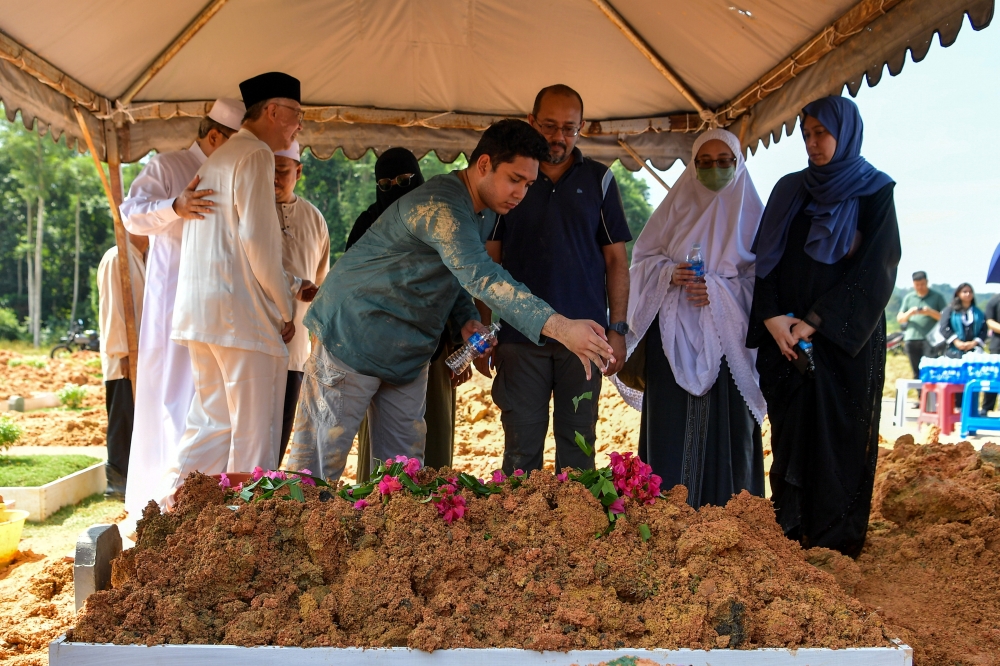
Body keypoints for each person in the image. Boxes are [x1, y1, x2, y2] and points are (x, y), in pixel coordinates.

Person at [285, 119, 615, 483]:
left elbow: (455, 273)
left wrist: (466, 319)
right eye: (514, 179)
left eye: (529, 184)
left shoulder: (486, 208)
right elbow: (483, 277)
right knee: (312, 470)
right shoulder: (442, 204)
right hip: (351, 335)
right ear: (485, 164)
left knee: (401, 476)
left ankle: (392, 539)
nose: (521, 193)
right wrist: (563, 328)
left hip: (409, 351)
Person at [748, 95, 900, 558]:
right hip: (787, 340)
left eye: (821, 133)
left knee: (840, 441)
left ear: (845, 132)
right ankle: (790, 532)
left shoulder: (874, 191)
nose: (812, 143)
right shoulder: (790, 189)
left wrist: (815, 322)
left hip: (842, 344)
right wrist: (773, 319)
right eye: (807, 134)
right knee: (791, 436)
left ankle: (835, 544)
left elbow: (878, 267)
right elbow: (765, 260)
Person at [163, 72, 317, 505]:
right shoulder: (255, 154)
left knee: (211, 427)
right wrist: (286, 308)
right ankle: (247, 537)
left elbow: (230, 243)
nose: (298, 125)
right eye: (296, 115)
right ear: (273, 111)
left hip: (203, 316)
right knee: (254, 440)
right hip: (242, 319)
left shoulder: (217, 158)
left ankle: (173, 522)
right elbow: (259, 243)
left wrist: (288, 285)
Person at [475, 84, 632, 475]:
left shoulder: (600, 180)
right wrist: (485, 327)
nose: (558, 137)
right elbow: (487, 261)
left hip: (587, 341)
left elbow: (617, 262)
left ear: (582, 128)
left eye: (569, 128)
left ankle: (576, 534)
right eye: (549, 126)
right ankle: (518, 534)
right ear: (531, 122)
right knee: (520, 451)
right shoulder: (509, 178)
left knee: (579, 450)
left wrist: (618, 329)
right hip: (518, 340)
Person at [620, 128, 766, 509]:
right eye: (704, 163)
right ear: (692, 165)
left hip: (729, 343)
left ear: (737, 163)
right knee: (671, 427)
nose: (713, 170)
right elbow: (642, 263)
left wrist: (719, 290)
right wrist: (669, 273)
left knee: (727, 431)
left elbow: (764, 282)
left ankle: (730, 522)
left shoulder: (753, 217)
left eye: (723, 162)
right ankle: (666, 515)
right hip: (671, 338)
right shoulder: (674, 208)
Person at [119, 98, 243, 528]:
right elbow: (131, 214)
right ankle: (159, 501)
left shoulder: (231, 176)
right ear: (214, 137)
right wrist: (175, 206)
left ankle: (200, 499)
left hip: (217, 311)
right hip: (171, 309)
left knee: (209, 405)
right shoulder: (167, 166)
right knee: (171, 402)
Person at [345, 148, 461, 481]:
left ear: (419, 178)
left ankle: (429, 506)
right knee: (380, 434)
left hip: (432, 347)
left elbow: (454, 281)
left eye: (405, 181)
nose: (396, 188)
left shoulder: (437, 219)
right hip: (375, 348)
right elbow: (350, 283)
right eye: (385, 183)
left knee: (432, 429)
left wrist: (457, 344)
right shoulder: (368, 223)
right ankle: (373, 500)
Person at [273, 140, 330, 464]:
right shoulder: (250, 212)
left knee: (281, 431)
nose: (275, 179)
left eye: (282, 171)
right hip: (255, 343)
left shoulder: (314, 219)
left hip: (295, 352)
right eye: (267, 171)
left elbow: (321, 284)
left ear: (298, 171)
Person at [96, 234, 147, 499]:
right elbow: (113, 308)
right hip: (123, 360)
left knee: (135, 418)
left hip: (141, 358)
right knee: (122, 418)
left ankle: (131, 478)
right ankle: (116, 480)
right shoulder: (117, 257)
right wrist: (124, 354)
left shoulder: (141, 259)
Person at [896, 271, 945, 378]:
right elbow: (900, 318)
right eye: (917, 285)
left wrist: (930, 312)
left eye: (922, 284)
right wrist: (910, 313)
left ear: (927, 282)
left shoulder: (937, 297)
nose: (920, 287)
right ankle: (919, 394)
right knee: (916, 371)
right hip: (911, 338)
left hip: (930, 339)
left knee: (930, 369)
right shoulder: (909, 298)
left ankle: (929, 394)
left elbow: (945, 318)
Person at [939, 283, 987, 359]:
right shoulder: (949, 310)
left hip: (974, 351)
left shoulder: (979, 312)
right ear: (958, 293)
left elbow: (984, 330)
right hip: (954, 350)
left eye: (970, 292)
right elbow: (944, 328)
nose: (968, 294)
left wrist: (973, 343)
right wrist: (957, 342)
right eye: (965, 292)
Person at [983, 291, 1000, 410]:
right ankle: (987, 407)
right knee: (994, 377)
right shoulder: (994, 301)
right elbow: (989, 321)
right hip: (997, 345)